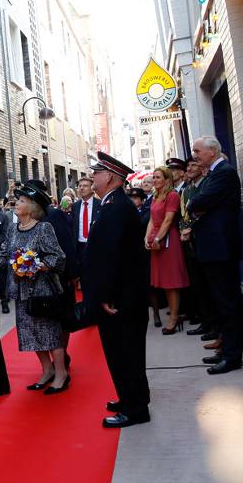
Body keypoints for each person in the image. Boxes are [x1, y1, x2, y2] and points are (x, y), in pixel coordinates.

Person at [0, 184, 69, 394]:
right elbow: (2, 255)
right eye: (15, 200)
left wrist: (33, 264)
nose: (15, 204)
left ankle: (61, 373)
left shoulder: (43, 228)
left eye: (20, 201)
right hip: (21, 292)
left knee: (50, 334)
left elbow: (58, 257)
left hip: (42, 291)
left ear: (32, 206)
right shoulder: (12, 228)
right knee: (31, 334)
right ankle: (46, 371)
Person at [83, 151, 150, 428]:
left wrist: (107, 294)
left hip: (121, 297)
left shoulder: (115, 206)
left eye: (96, 173)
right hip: (123, 294)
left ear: (110, 176)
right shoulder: (113, 203)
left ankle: (135, 410)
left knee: (125, 352)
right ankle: (131, 398)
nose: (92, 177)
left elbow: (113, 256)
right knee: (124, 352)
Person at [187, 136, 243, 375]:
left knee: (228, 302)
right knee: (222, 301)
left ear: (212, 151)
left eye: (197, 151)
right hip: (213, 249)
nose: (195, 155)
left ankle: (232, 356)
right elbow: (198, 203)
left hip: (220, 249)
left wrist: (195, 204)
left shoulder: (224, 173)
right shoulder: (214, 173)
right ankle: (227, 349)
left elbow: (198, 200)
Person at [27, 179, 78, 371]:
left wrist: (72, 274)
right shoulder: (26, 217)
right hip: (34, 279)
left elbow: (66, 245)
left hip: (58, 276)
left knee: (62, 318)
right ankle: (50, 363)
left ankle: (62, 355)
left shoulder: (54, 215)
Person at [145, 166, 190, 334]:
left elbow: (168, 220)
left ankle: (174, 317)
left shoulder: (172, 196)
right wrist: (146, 237)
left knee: (172, 282)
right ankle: (174, 314)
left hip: (169, 241)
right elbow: (151, 219)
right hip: (156, 240)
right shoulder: (155, 196)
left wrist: (158, 238)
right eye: (153, 177)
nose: (154, 180)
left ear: (166, 179)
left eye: (157, 177)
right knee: (163, 282)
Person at [179, 157, 209, 336]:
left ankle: (215, 326)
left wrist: (191, 228)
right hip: (190, 242)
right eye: (188, 165)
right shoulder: (187, 190)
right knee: (199, 284)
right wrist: (184, 230)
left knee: (210, 285)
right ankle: (206, 322)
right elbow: (184, 215)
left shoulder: (207, 185)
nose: (189, 168)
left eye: (194, 165)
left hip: (205, 239)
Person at [71, 177, 100, 285]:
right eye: (80, 186)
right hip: (79, 247)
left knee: (95, 277)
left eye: (85, 186)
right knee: (83, 278)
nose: (81, 188)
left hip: (94, 246)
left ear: (92, 188)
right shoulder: (75, 206)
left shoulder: (100, 205)